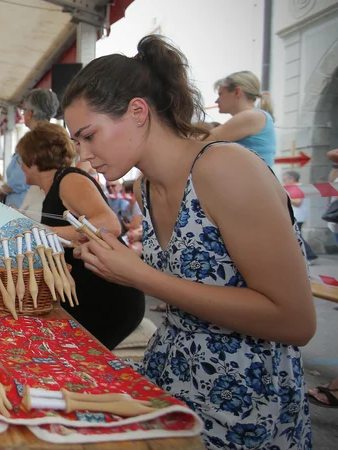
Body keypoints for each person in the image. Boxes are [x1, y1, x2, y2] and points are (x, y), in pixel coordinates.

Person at [64, 35, 313, 449]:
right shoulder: (147, 185)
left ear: (138, 111)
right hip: (174, 383)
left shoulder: (224, 168)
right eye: (76, 141)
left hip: (241, 405)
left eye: (88, 136)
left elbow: (296, 321)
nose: (83, 156)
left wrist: (140, 277)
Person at [16, 122, 145, 349]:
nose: (21, 167)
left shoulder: (69, 180)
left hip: (110, 302)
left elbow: (109, 226)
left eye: (21, 160)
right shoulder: (54, 188)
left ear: (33, 159)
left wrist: (39, 234)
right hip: (89, 296)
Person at [210, 71, 276, 168]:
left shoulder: (252, 116)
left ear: (237, 92)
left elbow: (202, 140)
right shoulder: (256, 116)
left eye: (221, 94)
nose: (217, 101)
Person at [282, 170, 317, 262]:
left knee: (297, 237)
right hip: (297, 215)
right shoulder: (296, 187)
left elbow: (298, 202)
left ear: (292, 179)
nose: (283, 181)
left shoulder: (298, 188)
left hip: (298, 216)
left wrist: (285, 197)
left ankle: (310, 256)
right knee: (296, 236)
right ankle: (307, 256)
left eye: (285, 179)